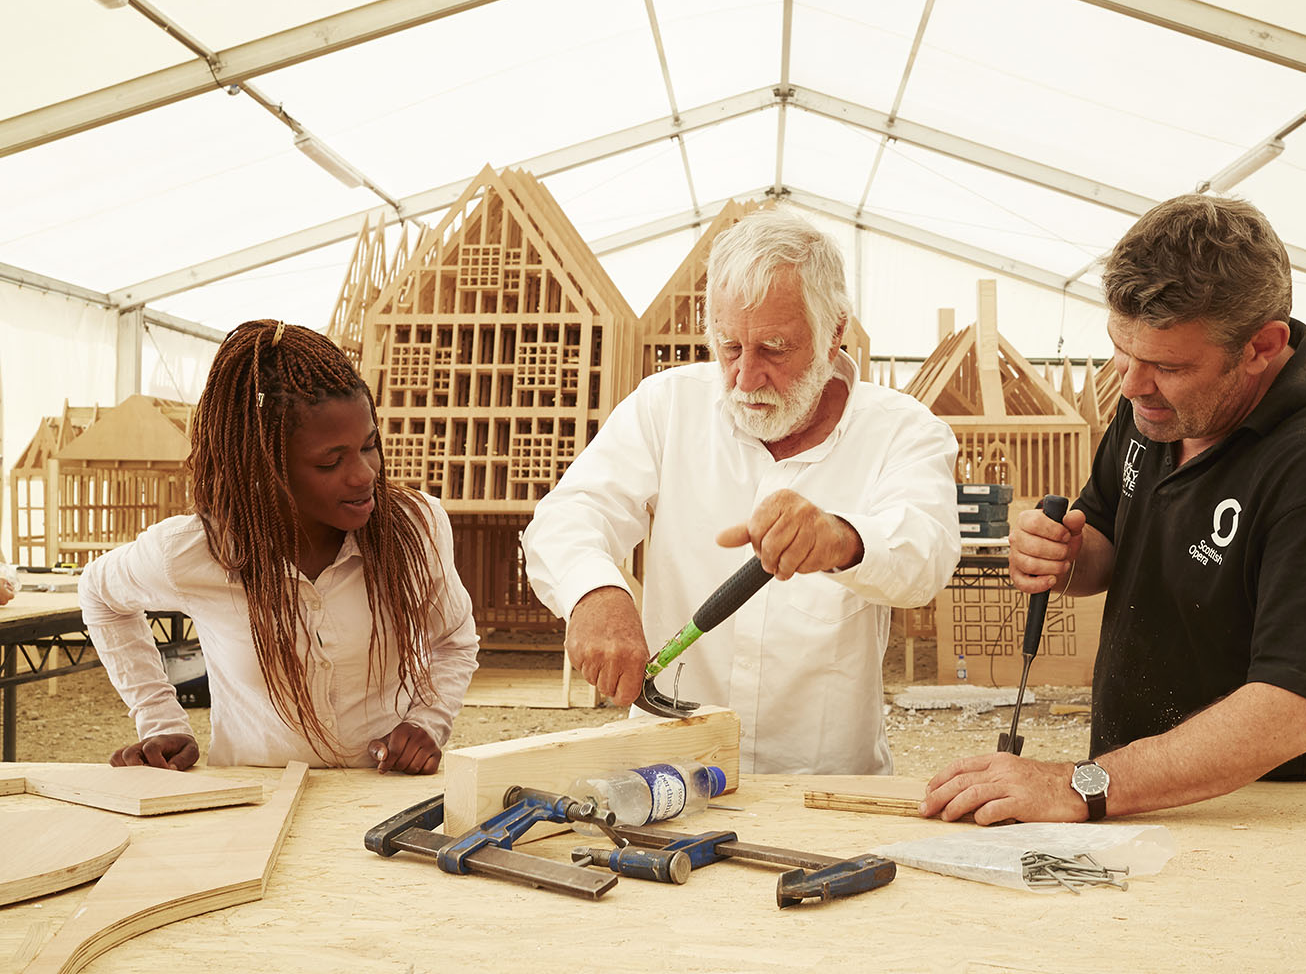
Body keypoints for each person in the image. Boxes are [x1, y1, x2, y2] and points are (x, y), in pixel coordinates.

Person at [923, 194, 1306, 826]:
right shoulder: (1154, 406)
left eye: (1168, 366)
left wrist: (1081, 784)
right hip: (1135, 792)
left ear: (1263, 344)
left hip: (1273, 817)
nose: (1130, 384)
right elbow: (1105, 543)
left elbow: (1296, 710)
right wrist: (1065, 555)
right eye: (1123, 350)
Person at [522, 207, 960, 774]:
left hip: (822, 789)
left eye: (775, 349)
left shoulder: (905, 430)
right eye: (729, 348)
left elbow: (925, 556)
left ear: (835, 334)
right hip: (668, 776)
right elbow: (572, 512)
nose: (746, 378)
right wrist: (595, 594)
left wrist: (840, 539)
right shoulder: (668, 405)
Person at [79, 320, 479, 773]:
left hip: (379, 807)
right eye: (331, 461)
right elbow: (98, 594)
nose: (365, 474)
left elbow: (454, 640)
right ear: (266, 464)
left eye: (369, 446)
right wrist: (159, 720)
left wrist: (427, 722)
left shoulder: (415, 527)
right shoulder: (192, 552)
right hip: (251, 812)